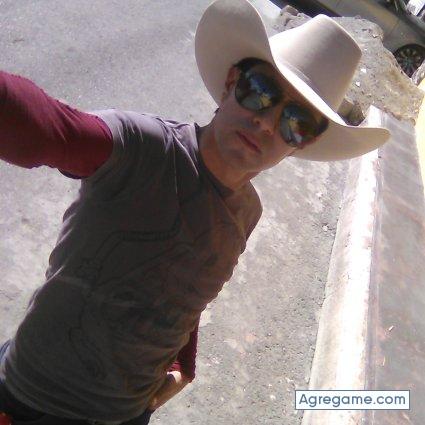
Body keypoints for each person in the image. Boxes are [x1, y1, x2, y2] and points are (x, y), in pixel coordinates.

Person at [0, 0, 390, 423]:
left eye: (295, 123)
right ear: (230, 83)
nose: (266, 123)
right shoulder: (140, 148)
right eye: (261, 91)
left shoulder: (247, 212)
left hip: (128, 414)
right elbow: (51, 128)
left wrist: (183, 362)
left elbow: (185, 290)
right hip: (31, 402)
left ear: (303, 144)